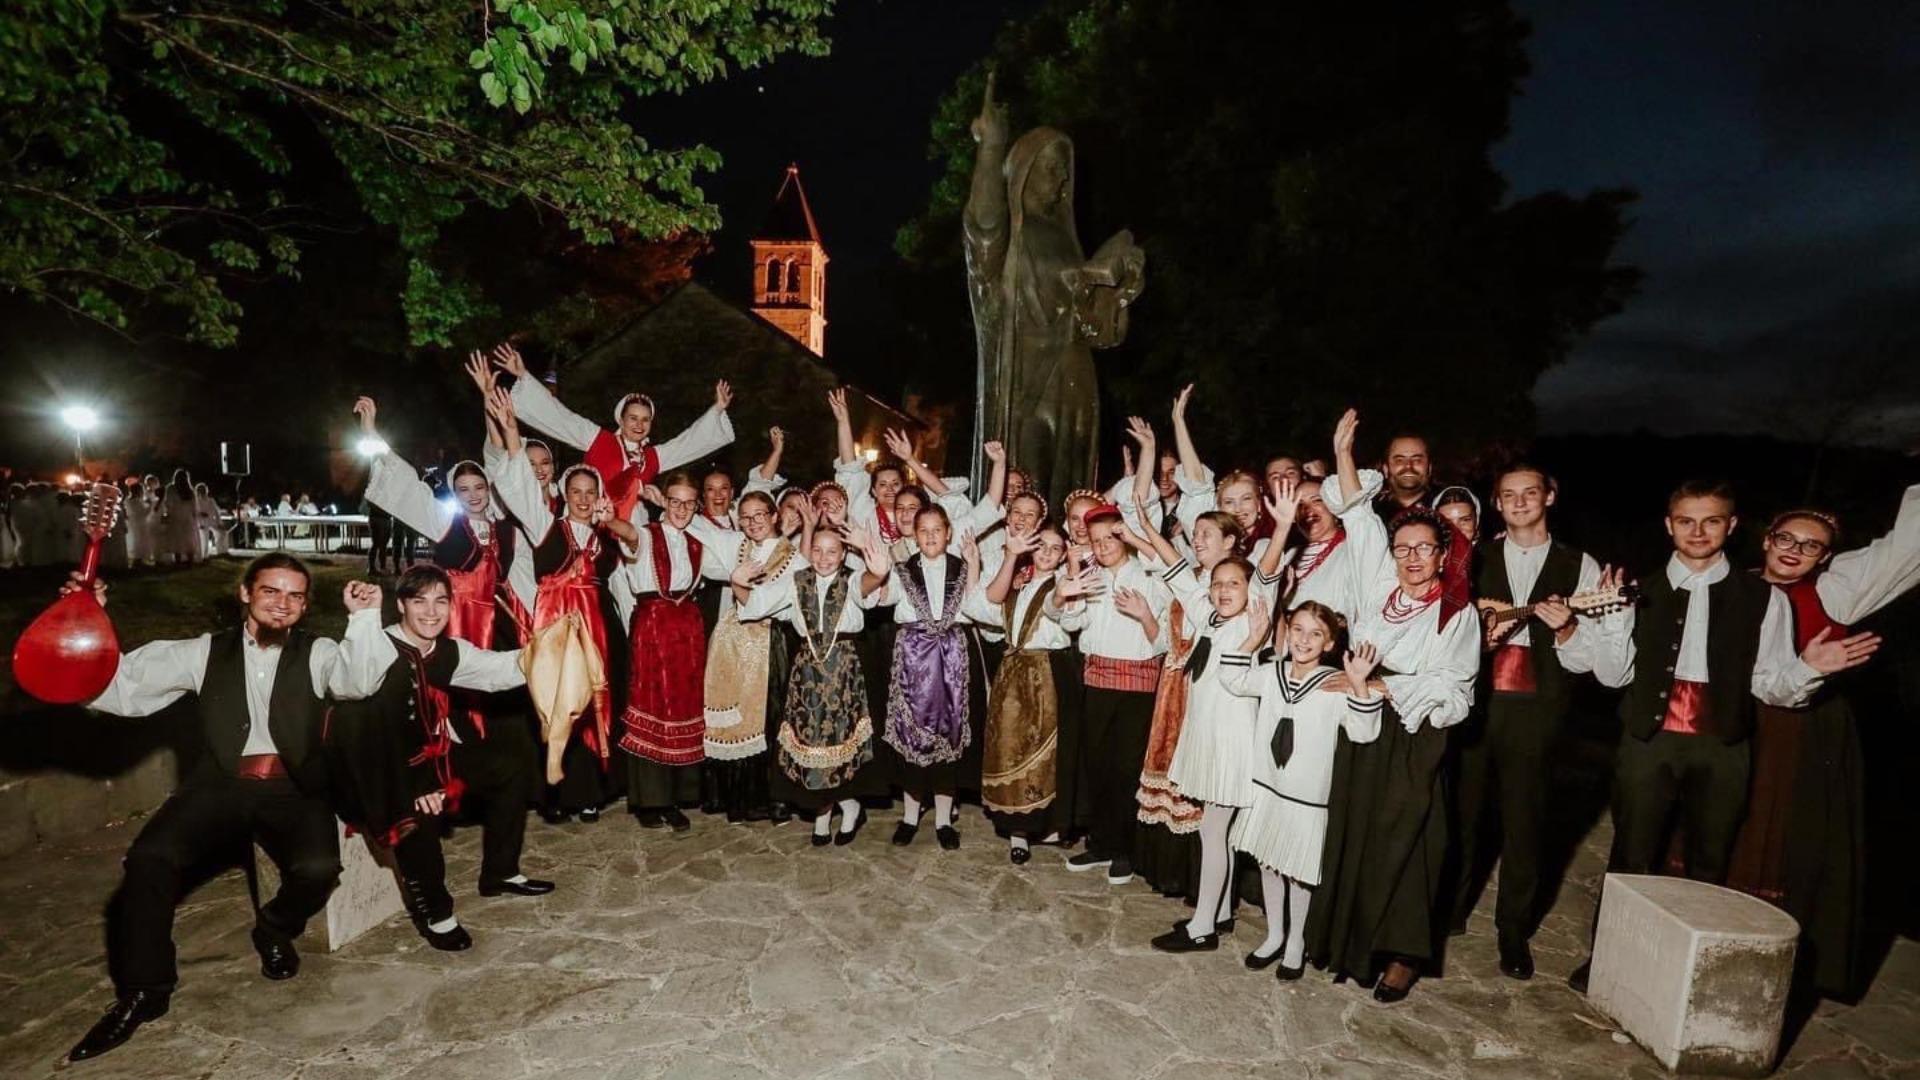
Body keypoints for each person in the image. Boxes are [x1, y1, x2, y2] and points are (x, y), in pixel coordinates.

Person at [63, 555, 390, 1061]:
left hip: (294, 786)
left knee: (319, 869)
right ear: (245, 593)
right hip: (221, 783)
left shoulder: (319, 652)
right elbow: (124, 689)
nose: (282, 604)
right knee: (149, 859)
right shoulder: (203, 651)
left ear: (305, 605)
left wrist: (365, 618)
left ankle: (273, 929)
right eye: (270, 591)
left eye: (295, 596)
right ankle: (146, 991)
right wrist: (88, 621)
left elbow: (360, 680)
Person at [1559, 479, 1878, 994]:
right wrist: (1615, 624)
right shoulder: (1639, 590)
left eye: (1711, 521)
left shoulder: (1764, 598)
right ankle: (1609, 959)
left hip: (1723, 747)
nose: (1698, 531)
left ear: (1731, 526)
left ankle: (1685, 976)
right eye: (1686, 520)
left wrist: (1808, 668)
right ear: (1669, 526)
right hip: (1648, 743)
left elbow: (1771, 686)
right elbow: (1614, 677)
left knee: (1709, 863)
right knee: (1632, 856)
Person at [1307, 408, 1479, 1003]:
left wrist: (1382, 687)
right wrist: (1342, 454)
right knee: (1356, 827)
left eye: (1423, 549)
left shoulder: (1457, 613)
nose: (1410, 558)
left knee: (1411, 840)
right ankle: (1351, 940)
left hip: (1414, 737)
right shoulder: (1381, 588)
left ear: (1442, 555)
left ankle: (1405, 955)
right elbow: (1359, 517)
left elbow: (1455, 692)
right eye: (1402, 547)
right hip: (1362, 725)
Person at [1727, 487, 1919, 1001]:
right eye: (1786, 539)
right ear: (1766, 540)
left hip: (1800, 731)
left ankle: (1762, 964)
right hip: (1729, 723)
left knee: (1781, 839)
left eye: (1811, 545)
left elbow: (1908, 545)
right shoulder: (1732, 584)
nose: (1795, 550)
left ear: (1826, 557)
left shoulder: (1834, 592)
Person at [356, 393, 546, 892]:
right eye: (463, 488)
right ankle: (437, 805)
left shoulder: (505, 532)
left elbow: (524, 574)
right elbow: (404, 485)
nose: (473, 494)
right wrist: (374, 434)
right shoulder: (446, 525)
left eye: (479, 486)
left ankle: (501, 860)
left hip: (492, 629)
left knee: (505, 730)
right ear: (454, 493)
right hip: (449, 628)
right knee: (445, 722)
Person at [323, 565, 542, 952]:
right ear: (401, 605)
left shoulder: (447, 650)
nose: (431, 612)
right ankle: (436, 912)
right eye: (419, 601)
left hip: (428, 758)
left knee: (508, 767)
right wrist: (363, 618)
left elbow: (499, 671)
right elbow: (356, 695)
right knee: (418, 815)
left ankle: (500, 872)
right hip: (376, 769)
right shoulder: (376, 647)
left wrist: (550, 648)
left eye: (441, 601)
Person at [1449, 464, 1604, 981]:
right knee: (1463, 813)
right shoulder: (1475, 557)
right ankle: (1450, 910)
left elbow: (1588, 660)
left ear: (1550, 496)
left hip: (1538, 707)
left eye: (1530, 492)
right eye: (1508, 495)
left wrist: (1568, 629)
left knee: (1525, 821)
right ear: (1496, 503)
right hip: (1477, 699)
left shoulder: (1579, 565)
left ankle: (1512, 930)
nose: (1519, 502)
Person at [489, 390, 639, 824]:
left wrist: (610, 521)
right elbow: (520, 485)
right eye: (576, 491)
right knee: (555, 702)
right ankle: (553, 793)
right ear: (565, 493)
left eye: (590, 492)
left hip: (597, 624)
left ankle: (590, 790)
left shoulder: (607, 535)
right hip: (556, 625)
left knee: (595, 703)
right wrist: (511, 432)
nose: (583, 498)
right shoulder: (546, 526)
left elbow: (634, 547)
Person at [1222, 603, 1384, 978]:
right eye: (1297, 629)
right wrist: (1253, 639)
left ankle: (1296, 941)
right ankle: (1274, 934)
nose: (1304, 640)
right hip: (1267, 786)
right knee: (1268, 861)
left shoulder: (1334, 684)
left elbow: (1364, 732)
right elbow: (1232, 679)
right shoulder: (1272, 673)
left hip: (1305, 797)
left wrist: (1359, 683)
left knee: (1296, 870)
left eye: (1316, 634)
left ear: (1329, 644)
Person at [734, 523, 895, 845]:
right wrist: (737, 582)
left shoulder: (851, 579)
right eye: (818, 550)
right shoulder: (796, 581)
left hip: (843, 672)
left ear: (844, 553)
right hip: (808, 675)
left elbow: (868, 585)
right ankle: (823, 813)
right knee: (814, 741)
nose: (823, 558)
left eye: (832, 551)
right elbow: (755, 603)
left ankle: (849, 806)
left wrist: (878, 571)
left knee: (840, 739)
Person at [1050, 504, 1173, 886]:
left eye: (1110, 538)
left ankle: (1124, 850)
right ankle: (1100, 843)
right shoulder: (1091, 576)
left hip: (1137, 684)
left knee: (1126, 769)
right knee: (1097, 766)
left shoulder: (1149, 576)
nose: (1102, 546)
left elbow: (1164, 641)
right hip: (1097, 679)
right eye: (1096, 540)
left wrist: (1144, 615)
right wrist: (1067, 594)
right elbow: (1071, 622)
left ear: (1124, 537)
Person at [491, 341, 734, 526]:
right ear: (621, 419)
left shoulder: (653, 456)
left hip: (631, 531)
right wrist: (524, 376)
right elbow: (562, 417)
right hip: (590, 523)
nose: (639, 424)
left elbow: (688, 442)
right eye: (633, 418)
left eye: (645, 419)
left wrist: (716, 410)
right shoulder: (599, 439)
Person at [964, 524, 1091, 862]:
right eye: (1041, 545)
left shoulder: (1064, 583)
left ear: (1063, 555)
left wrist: (1068, 582)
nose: (1047, 552)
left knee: (1048, 752)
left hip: (1048, 672)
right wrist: (1003, 558)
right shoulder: (1016, 584)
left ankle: (1049, 825)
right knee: (1010, 748)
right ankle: (1017, 830)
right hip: (1012, 676)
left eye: (1055, 548)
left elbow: (1069, 619)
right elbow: (979, 606)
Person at [619, 470, 732, 830]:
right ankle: (652, 801)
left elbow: (728, 568)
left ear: (696, 506)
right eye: (675, 502)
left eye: (689, 503)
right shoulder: (648, 535)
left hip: (687, 631)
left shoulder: (696, 543)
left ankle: (677, 796)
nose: (681, 509)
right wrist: (608, 519)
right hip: (653, 628)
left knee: (684, 705)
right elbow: (628, 534)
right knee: (653, 704)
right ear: (663, 502)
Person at [690, 490, 801, 822]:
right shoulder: (736, 544)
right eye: (746, 517)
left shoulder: (794, 558)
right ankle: (731, 797)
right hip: (732, 642)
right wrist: (664, 504)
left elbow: (764, 604)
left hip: (770, 641)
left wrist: (739, 584)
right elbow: (698, 528)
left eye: (760, 515)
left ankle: (771, 797)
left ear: (774, 516)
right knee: (731, 715)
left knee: (770, 715)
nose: (753, 523)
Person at [876, 503, 980, 849]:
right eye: (924, 531)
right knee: (912, 738)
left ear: (948, 533)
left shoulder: (962, 567)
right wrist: (876, 570)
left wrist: (975, 565)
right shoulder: (903, 569)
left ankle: (943, 821)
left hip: (951, 660)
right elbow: (882, 598)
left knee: (949, 735)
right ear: (915, 535)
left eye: (937, 530)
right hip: (914, 659)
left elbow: (976, 606)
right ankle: (909, 817)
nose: (931, 536)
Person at [1374, 433, 1433, 518]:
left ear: (1429, 468)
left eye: (1417, 460)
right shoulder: (1371, 511)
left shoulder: (1445, 507)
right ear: (1386, 469)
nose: (1408, 466)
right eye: (1399, 460)